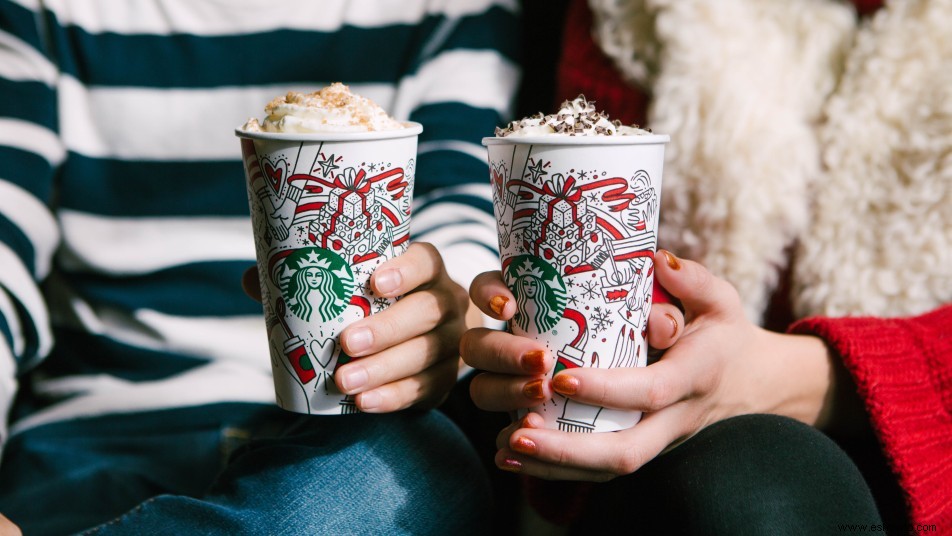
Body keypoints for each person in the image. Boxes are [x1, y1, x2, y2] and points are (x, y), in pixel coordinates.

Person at [0, 1, 520, 534]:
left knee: (401, 483)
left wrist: (446, 313)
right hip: (93, 431)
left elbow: (462, 206)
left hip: (350, 423)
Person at [461, 0, 952, 533]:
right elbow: (614, 224)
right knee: (745, 484)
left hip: (919, 465)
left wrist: (800, 374)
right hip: (684, 457)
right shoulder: (638, 11)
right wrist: (647, 339)